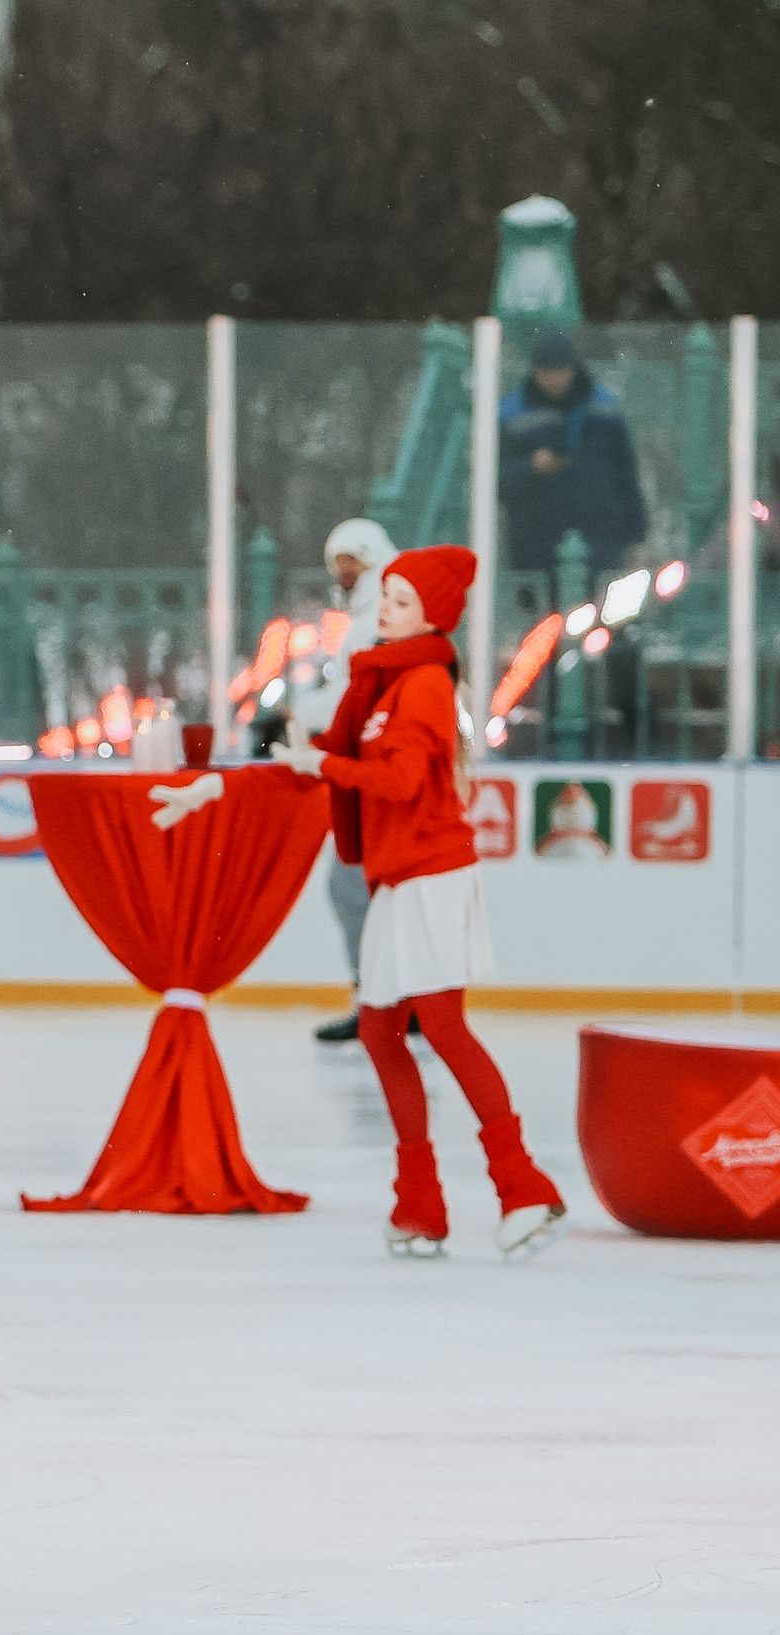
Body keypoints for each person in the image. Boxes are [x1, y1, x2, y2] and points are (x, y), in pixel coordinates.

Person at [273, 545, 569, 1260]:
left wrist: (326, 763)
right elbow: (358, 761)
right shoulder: (379, 682)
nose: (386, 611)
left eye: (402, 602)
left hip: (433, 873)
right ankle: (419, 1201)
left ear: (433, 616)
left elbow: (402, 780)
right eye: (386, 599)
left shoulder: (426, 682)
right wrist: (312, 758)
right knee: (380, 1033)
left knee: (441, 1026)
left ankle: (523, 1185)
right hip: (398, 878)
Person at [296, 518, 397, 1045]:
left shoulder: (380, 618)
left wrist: (303, 714)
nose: (343, 573)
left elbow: (358, 696)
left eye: (350, 562)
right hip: (367, 769)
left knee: (351, 886)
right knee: (363, 890)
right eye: (337, 564)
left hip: (374, 773)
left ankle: (379, 1001)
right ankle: (395, 1001)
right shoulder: (366, 617)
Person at [498, 329, 648, 590]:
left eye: (560, 371)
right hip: (534, 541)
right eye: (547, 372)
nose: (554, 380)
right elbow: (497, 480)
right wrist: (531, 467)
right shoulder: (511, 414)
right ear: (535, 372)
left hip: (602, 538)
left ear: (573, 369)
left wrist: (636, 536)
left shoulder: (605, 409)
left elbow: (626, 476)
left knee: (606, 617)